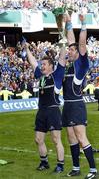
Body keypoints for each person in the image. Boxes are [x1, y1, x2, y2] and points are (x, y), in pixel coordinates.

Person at [62, 13, 99, 178]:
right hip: (67, 105)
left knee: (80, 136)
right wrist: (68, 22)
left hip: (77, 105)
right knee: (71, 137)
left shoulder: (81, 64)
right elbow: (72, 39)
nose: (69, 51)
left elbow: (81, 43)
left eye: (71, 49)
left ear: (78, 52)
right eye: (69, 49)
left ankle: (93, 171)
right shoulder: (69, 65)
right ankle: (76, 168)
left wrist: (83, 25)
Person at [24, 42, 66, 173]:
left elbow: (62, 58)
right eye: (41, 64)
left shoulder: (57, 75)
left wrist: (63, 43)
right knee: (38, 139)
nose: (41, 66)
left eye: (44, 64)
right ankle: (44, 162)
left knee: (55, 139)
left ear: (51, 67)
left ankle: (60, 165)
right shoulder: (41, 76)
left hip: (53, 110)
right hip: (41, 111)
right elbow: (32, 62)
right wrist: (26, 49)